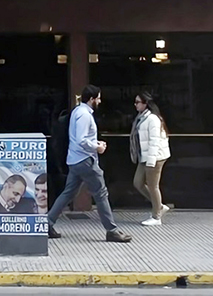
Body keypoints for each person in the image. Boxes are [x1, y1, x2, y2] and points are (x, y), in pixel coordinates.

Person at [46, 85, 132, 243]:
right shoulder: (84, 115)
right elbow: (82, 140)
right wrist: (97, 147)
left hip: (75, 160)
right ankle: (112, 231)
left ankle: (48, 223)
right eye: (98, 98)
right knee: (101, 193)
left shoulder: (77, 111)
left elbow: (80, 138)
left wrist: (95, 142)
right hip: (85, 160)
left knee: (68, 193)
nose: (100, 101)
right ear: (91, 99)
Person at [130, 91, 171, 226]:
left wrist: (151, 161)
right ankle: (159, 206)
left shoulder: (152, 119)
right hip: (145, 156)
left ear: (145, 104)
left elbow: (154, 141)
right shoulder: (142, 117)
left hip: (155, 156)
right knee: (138, 182)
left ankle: (156, 216)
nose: (135, 104)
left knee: (153, 186)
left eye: (138, 102)